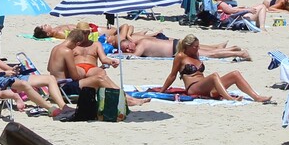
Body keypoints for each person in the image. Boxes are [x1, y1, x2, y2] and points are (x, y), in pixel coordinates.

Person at [0, 33, 66, 114]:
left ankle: (63, 107)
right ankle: (50, 108)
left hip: (11, 76)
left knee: (50, 78)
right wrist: (3, 73)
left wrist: (13, 69)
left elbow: (7, 67)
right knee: (24, 84)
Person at [157, 35, 272, 102]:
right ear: (187, 46)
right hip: (193, 88)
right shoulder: (180, 56)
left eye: (198, 46)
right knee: (214, 76)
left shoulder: (196, 54)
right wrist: (162, 91)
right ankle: (229, 99)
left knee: (235, 74)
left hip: (206, 87)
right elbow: (172, 75)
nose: (198, 48)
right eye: (195, 47)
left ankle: (256, 97)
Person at [115, 25, 250, 60]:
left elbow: (134, 57)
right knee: (209, 52)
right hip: (175, 46)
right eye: (126, 50)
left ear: (130, 42)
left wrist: (118, 55)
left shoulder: (141, 44)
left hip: (177, 48)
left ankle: (240, 54)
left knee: (211, 54)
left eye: (127, 47)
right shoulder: (142, 41)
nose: (129, 50)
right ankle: (233, 50)